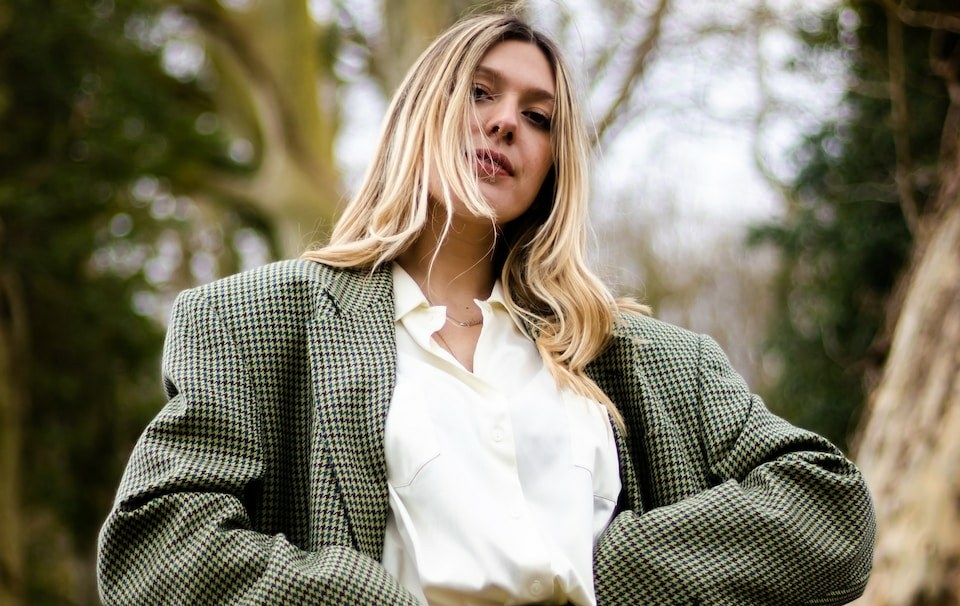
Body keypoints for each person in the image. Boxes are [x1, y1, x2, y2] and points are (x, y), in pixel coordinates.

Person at [97, 11, 875, 606]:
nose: (507, 122)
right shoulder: (258, 323)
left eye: (539, 117)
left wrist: (610, 571)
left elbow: (830, 512)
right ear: (421, 115)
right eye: (480, 93)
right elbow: (158, 544)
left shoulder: (646, 357)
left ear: (551, 168)